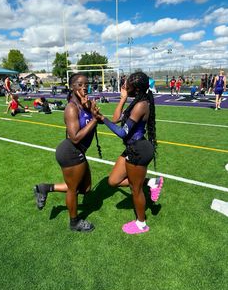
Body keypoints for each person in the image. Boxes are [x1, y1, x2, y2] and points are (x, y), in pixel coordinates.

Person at [94, 72, 163, 235]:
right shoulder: (135, 102)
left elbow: (123, 133)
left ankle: (141, 224)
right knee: (113, 181)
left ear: (136, 88)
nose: (125, 87)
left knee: (135, 189)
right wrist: (123, 98)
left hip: (139, 151)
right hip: (132, 149)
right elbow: (116, 118)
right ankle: (152, 182)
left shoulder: (141, 105)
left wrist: (102, 118)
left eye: (127, 85)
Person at [33, 73, 102, 233]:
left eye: (86, 84)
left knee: (87, 188)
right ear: (72, 87)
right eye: (79, 84)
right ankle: (74, 222)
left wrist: (94, 113)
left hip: (79, 152)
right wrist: (94, 120)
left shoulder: (87, 104)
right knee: (73, 189)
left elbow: (97, 119)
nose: (84, 87)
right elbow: (76, 138)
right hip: (70, 151)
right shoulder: (71, 108)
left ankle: (44, 188)